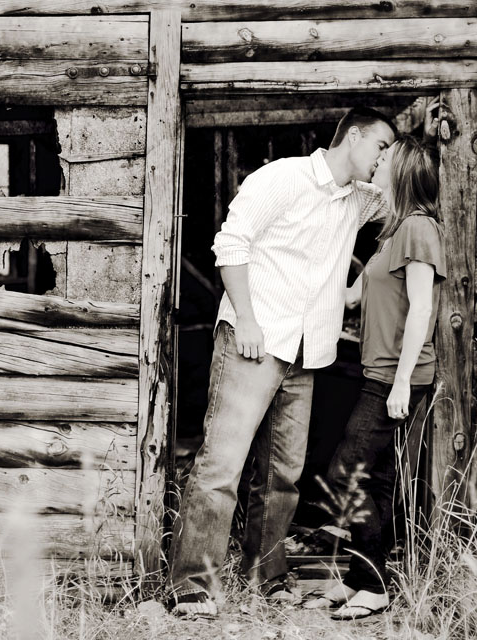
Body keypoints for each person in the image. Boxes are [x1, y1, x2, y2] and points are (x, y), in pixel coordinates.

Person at [165, 107, 397, 618]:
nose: (383, 160)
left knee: (283, 475)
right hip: (257, 338)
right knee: (222, 464)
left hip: (308, 352)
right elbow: (230, 244)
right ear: (353, 137)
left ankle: (266, 575)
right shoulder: (282, 177)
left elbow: (406, 201)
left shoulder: (360, 200)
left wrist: (400, 172)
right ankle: (193, 587)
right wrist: (245, 319)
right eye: (380, 147)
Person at [302, 135, 444, 620]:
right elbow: (348, 298)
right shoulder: (390, 233)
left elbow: (423, 307)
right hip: (378, 372)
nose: (377, 163)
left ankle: (372, 583)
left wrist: (403, 380)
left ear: (402, 172)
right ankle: (368, 580)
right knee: (376, 479)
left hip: (398, 376)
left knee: (348, 471)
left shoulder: (420, 228)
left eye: (385, 159)